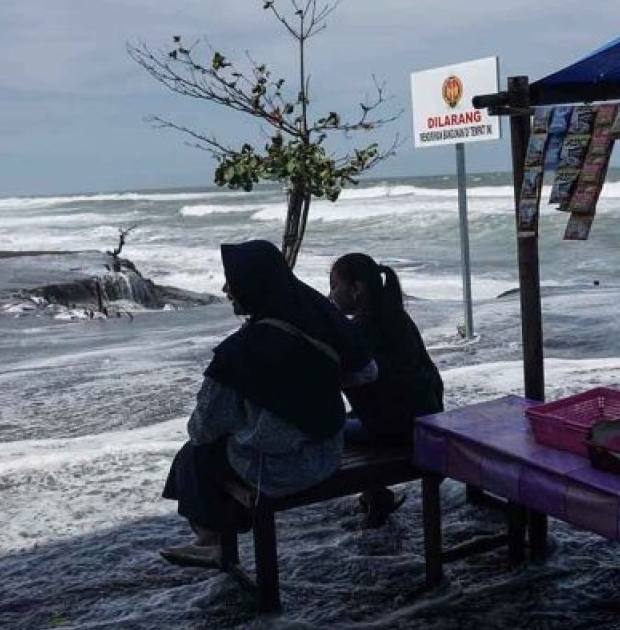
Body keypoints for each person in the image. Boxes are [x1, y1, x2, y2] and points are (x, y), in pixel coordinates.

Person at [161, 240, 375, 564]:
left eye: (231, 281)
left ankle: (212, 540)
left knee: (194, 454)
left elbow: (202, 428)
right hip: (329, 450)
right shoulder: (318, 312)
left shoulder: (239, 353)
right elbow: (366, 372)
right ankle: (224, 521)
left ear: (251, 283)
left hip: (278, 471)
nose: (225, 289)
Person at [329, 253, 444, 527]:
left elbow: (336, 375)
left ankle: (376, 495)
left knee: (328, 427)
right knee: (348, 419)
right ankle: (376, 495)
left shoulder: (359, 329)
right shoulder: (397, 317)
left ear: (356, 289)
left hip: (397, 430)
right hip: (427, 416)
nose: (330, 294)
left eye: (335, 286)